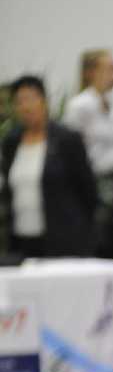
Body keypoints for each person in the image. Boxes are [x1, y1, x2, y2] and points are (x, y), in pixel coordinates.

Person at [0, 75, 96, 259]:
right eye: (20, 101)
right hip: (22, 240)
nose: (26, 107)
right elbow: (8, 191)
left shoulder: (67, 139)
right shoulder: (11, 142)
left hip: (61, 241)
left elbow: (88, 191)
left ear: (44, 101)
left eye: (31, 99)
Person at [63, 49, 113, 259]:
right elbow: (71, 150)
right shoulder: (80, 106)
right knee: (102, 242)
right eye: (109, 69)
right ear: (90, 72)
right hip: (95, 182)